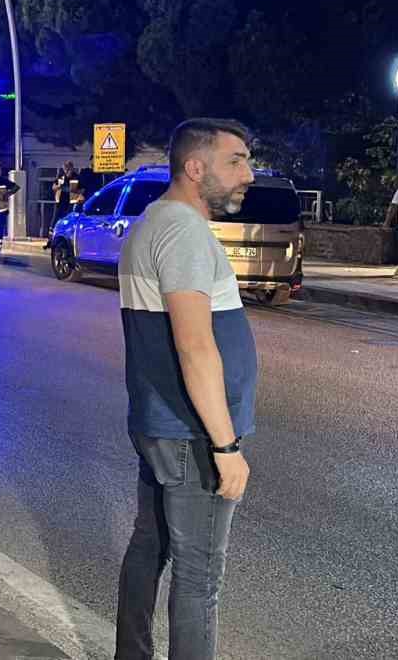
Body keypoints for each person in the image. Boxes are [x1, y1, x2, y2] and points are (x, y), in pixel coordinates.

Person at [115, 118, 258, 660]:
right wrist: (225, 446)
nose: (248, 174)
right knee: (200, 579)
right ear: (195, 168)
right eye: (235, 160)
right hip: (191, 433)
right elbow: (195, 345)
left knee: (150, 546)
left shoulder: (154, 223)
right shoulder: (184, 232)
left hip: (160, 422)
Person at [53, 161, 81, 228]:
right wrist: (59, 186)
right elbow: (54, 187)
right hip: (61, 200)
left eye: (68, 169)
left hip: (71, 201)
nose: (66, 171)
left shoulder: (76, 176)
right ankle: (53, 231)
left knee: (69, 217)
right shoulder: (61, 176)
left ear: (72, 168)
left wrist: (75, 190)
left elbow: (82, 189)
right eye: (65, 169)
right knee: (57, 217)